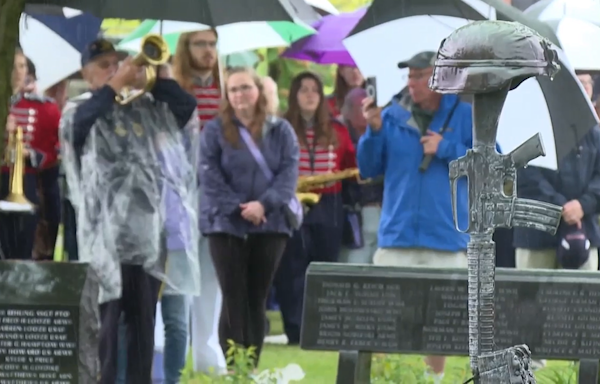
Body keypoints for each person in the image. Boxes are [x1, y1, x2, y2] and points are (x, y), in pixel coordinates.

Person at [59, 38, 199, 383]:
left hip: (147, 234)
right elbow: (79, 130)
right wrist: (114, 86)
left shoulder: (147, 106)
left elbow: (185, 108)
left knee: (143, 325)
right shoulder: (78, 107)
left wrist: (159, 77)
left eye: (117, 63)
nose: (115, 69)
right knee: (105, 327)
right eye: (105, 66)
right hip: (103, 239)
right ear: (87, 73)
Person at [357, 51, 473, 381]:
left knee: (439, 322)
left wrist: (447, 148)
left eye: (420, 75)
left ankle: (432, 380)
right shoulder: (390, 114)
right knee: (385, 318)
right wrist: (374, 129)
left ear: (440, 79)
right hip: (397, 235)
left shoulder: (465, 116)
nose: (411, 81)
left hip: (446, 237)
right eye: (409, 75)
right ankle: (384, 377)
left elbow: (489, 166)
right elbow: (368, 168)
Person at [199, 66, 299, 367]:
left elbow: (288, 174)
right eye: (233, 89)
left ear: (258, 91)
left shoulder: (280, 130)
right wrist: (239, 208)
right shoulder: (215, 130)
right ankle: (233, 364)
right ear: (227, 96)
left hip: (270, 224)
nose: (240, 94)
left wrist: (263, 206)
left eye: (245, 88)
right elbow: (209, 174)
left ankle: (250, 364)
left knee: (256, 296)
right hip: (225, 224)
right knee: (233, 295)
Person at [272, 71, 356, 345]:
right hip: (291, 201)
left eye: (314, 90)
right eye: (303, 89)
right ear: (294, 95)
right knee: (290, 268)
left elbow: (348, 164)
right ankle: (294, 330)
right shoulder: (280, 128)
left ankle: (324, 329)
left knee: (324, 267)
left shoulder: (338, 129)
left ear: (321, 97)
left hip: (328, 203)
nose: (309, 95)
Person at [172, 29, 227, 374]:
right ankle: (168, 349)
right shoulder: (173, 89)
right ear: (185, 47)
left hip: (217, 193)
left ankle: (207, 354)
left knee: (211, 274)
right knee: (176, 273)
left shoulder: (226, 91)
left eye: (211, 44)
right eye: (199, 43)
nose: (208, 51)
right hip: (179, 191)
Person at [1, 48, 60, 260]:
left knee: (23, 247)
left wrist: (30, 154)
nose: (18, 72)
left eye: (22, 66)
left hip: (26, 182)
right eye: (13, 65)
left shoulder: (44, 108)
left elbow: (55, 150)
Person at [338, 87, 383, 264]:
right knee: (354, 265)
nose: (367, 110)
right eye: (361, 106)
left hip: (383, 209)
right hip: (354, 212)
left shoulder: (381, 130)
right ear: (348, 111)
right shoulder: (339, 133)